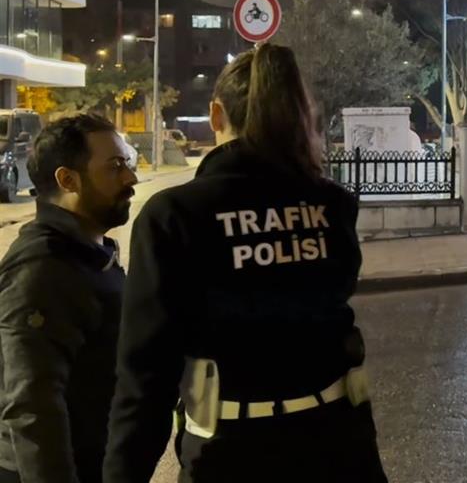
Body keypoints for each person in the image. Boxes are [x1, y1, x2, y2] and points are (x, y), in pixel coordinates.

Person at [104, 44, 387, 483]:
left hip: (230, 455)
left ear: (216, 115)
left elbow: (146, 377)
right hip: (341, 446)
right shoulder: (333, 204)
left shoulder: (174, 216)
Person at [0, 115, 137, 483]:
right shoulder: (42, 268)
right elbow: (32, 405)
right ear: (68, 180)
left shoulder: (89, 254)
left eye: (127, 163)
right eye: (115, 166)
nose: (131, 178)